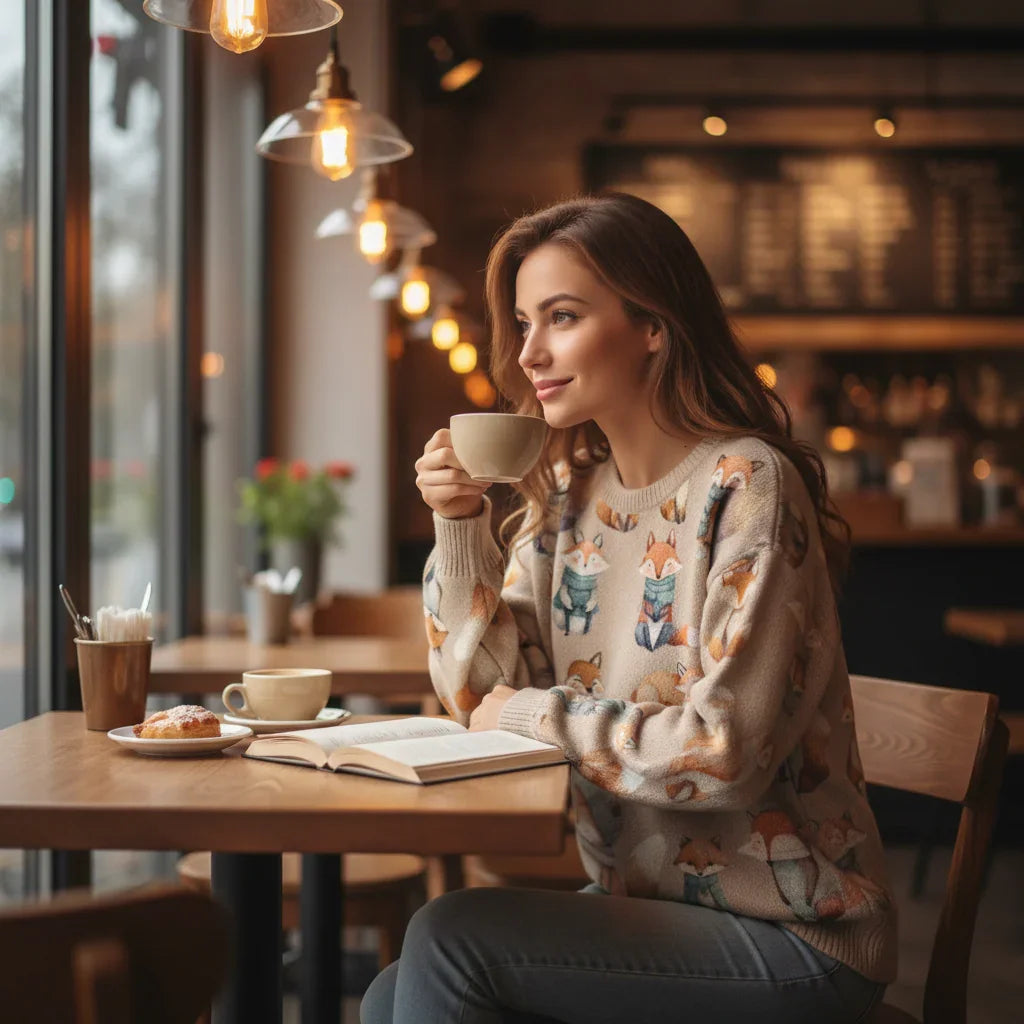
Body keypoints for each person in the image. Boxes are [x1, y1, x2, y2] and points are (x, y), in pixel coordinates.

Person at [361, 193, 895, 1024]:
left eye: (562, 317)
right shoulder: (569, 494)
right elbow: (476, 699)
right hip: (652, 910)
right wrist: (460, 526)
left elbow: (726, 754)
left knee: (449, 940)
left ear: (653, 325)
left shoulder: (748, 485)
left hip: (798, 934)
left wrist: (532, 717)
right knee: (396, 987)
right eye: (525, 322)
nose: (530, 351)